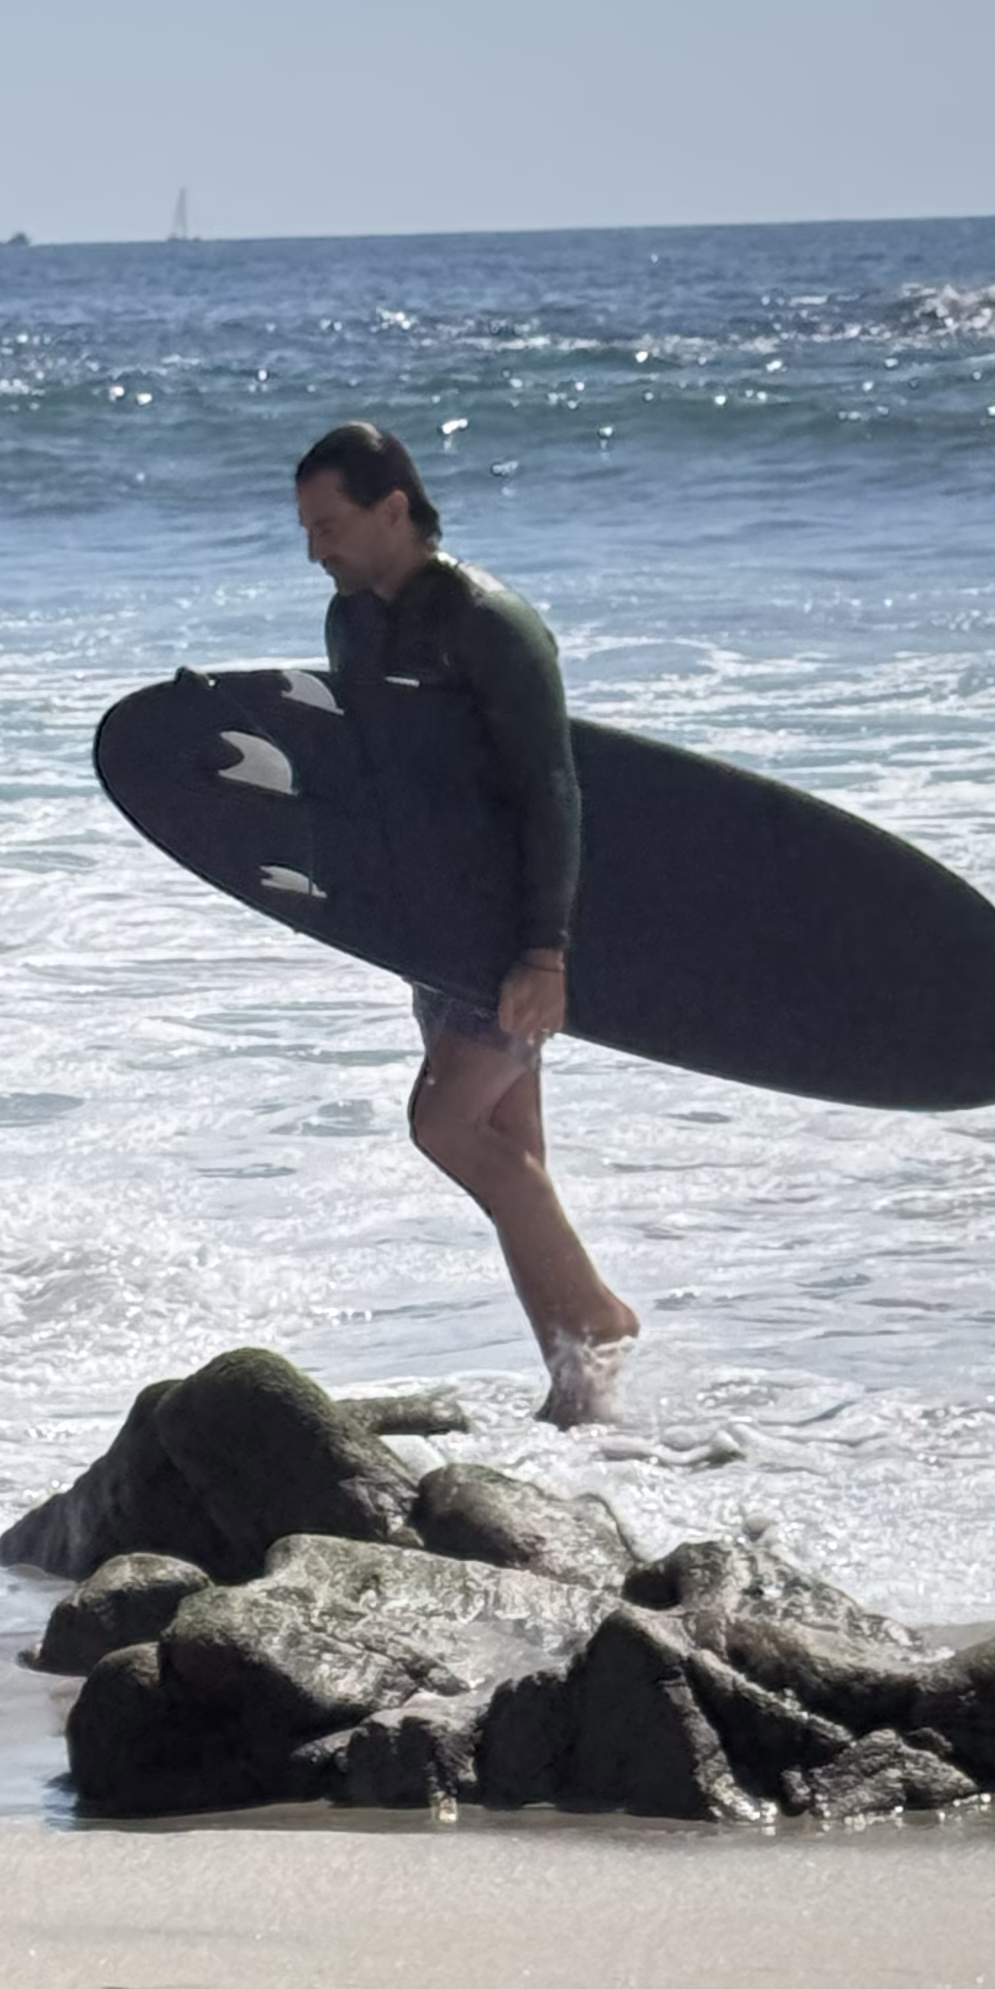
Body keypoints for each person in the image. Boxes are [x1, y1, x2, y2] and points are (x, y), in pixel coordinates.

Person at [292, 420, 640, 1423]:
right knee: (506, 1152)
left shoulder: (494, 624)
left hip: (510, 931)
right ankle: (579, 1387)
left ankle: (601, 1321)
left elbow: (552, 790)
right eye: (306, 530)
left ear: (394, 508)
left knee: (443, 1125)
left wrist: (547, 951)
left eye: (332, 525)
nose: (318, 548)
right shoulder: (353, 623)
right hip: (436, 932)